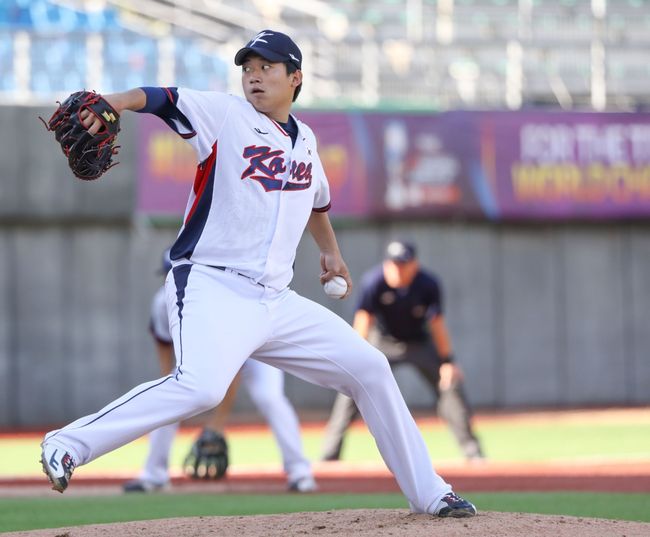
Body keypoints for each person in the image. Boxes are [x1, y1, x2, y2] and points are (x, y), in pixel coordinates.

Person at [40, 29, 476, 518]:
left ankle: (431, 494)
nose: (254, 75)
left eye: (267, 66)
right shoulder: (225, 115)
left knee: (371, 368)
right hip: (211, 283)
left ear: (296, 78)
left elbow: (316, 200)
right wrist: (113, 102)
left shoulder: (306, 140)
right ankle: (68, 443)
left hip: (275, 299)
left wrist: (330, 252)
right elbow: (162, 99)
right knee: (201, 386)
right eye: (248, 67)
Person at [123, 250, 316, 493]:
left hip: (257, 350)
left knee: (270, 398)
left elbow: (231, 370)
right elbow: (164, 356)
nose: (172, 279)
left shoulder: (213, 301)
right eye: (169, 275)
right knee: (167, 397)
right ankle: (153, 474)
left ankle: (300, 472)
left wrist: (217, 423)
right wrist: (170, 396)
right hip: (214, 352)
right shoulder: (163, 302)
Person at [320, 240, 484, 463]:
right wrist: (355, 357)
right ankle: (330, 455)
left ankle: (473, 452)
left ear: (414, 265)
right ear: (386, 264)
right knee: (351, 386)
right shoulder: (374, 281)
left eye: (403, 264)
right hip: (383, 342)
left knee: (450, 385)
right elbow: (363, 320)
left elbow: (437, 324)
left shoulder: (427, 284)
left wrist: (448, 361)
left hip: (419, 343)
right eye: (393, 264)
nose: (397, 269)